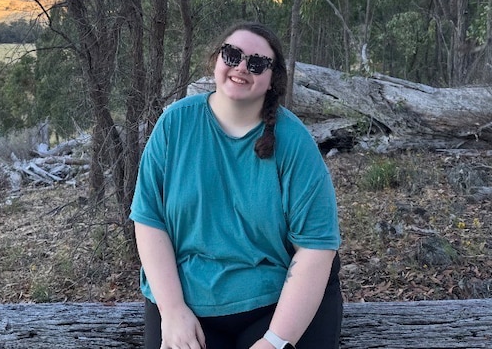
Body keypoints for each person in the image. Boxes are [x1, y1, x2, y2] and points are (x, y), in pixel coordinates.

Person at [130, 21, 342, 349]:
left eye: (257, 63)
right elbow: (148, 220)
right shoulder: (174, 124)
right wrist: (172, 312)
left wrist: (275, 341)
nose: (242, 67)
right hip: (186, 301)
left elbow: (316, 246)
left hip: (276, 303)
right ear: (216, 60)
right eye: (232, 54)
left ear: (272, 79)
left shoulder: (293, 141)